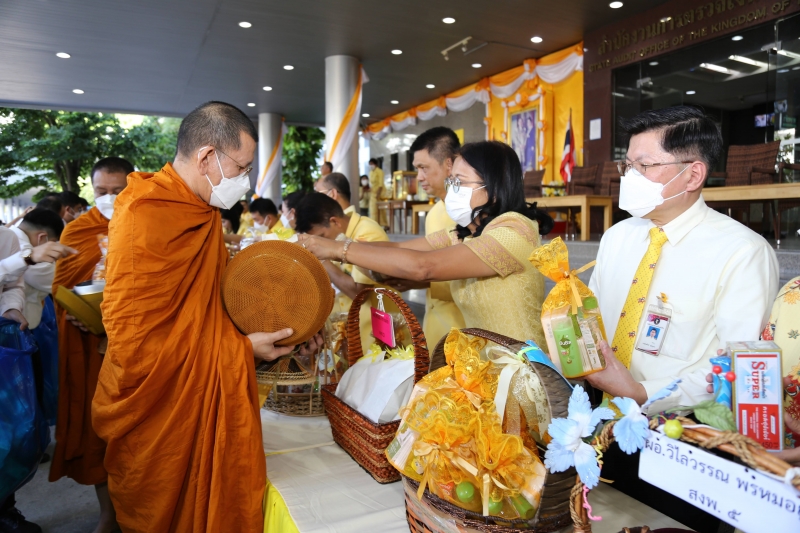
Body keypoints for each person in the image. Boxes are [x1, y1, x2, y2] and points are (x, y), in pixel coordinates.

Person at [91, 101, 321, 533]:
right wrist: (239, 350)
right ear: (206, 157)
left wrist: (264, 323)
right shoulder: (146, 212)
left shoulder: (199, 209)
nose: (246, 182)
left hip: (198, 384)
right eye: (242, 167)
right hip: (160, 405)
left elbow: (204, 304)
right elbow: (138, 343)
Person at [585, 106, 779, 533]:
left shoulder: (741, 253)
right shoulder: (619, 236)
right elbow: (592, 314)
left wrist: (641, 391)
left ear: (692, 176)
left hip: (682, 437)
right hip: (600, 420)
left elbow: (735, 366)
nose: (628, 178)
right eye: (627, 165)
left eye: (645, 166)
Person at [299, 141, 551, 348]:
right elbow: (400, 250)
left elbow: (424, 267)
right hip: (482, 369)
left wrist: (335, 251)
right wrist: (341, 243)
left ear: (494, 188)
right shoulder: (467, 233)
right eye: (451, 181)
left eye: (460, 182)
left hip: (521, 372)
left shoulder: (514, 230)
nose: (452, 191)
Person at [49, 156, 133, 533]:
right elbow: (60, 288)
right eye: (102, 191)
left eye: (118, 191)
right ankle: (107, 515)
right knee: (99, 432)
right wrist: (79, 313)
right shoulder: (78, 231)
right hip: (91, 349)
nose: (109, 198)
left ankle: (139, 511)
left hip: (138, 347)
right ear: (91, 189)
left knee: (136, 433)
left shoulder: (146, 223)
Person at [0, 216, 75, 533]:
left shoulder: (6, 238)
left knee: (10, 433)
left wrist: (10, 307)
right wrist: (26, 259)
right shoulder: (23, 250)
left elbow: (12, 284)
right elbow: (19, 268)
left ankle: (5, 508)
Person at [384, 127, 466, 350]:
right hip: (434, 325)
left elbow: (472, 278)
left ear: (449, 164)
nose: (419, 177)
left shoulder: (469, 212)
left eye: (423, 168)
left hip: (462, 331)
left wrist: (421, 280)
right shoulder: (435, 212)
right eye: (417, 169)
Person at [295, 192, 399, 353]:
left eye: (322, 236)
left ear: (334, 221)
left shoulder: (367, 232)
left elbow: (359, 293)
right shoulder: (340, 236)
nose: (321, 243)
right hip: (348, 331)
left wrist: (323, 260)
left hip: (373, 335)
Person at [10, 208, 66, 329]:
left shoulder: (9, 237)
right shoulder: (27, 252)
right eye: (52, 243)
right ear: (42, 237)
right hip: (13, 327)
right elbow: (60, 283)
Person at [367, 158, 386, 226]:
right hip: (373, 193)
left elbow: (380, 184)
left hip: (380, 193)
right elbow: (371, 184)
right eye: (370, 164)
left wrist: (378, 194)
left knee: (381, 211)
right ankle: (374, 224)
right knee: (372, 210)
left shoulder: (380, 171)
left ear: (376, 164)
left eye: (372, 164)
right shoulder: (370, 173)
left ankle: (383, 224)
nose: (371, 166)